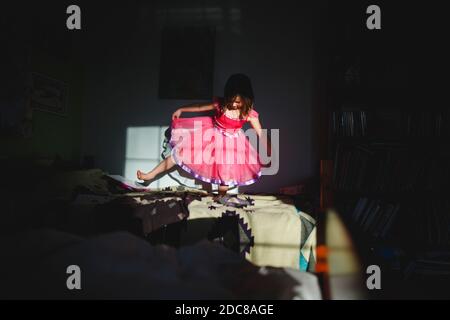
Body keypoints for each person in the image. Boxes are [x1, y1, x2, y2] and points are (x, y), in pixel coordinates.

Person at [137, 74, 270, 198]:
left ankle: (221, 197)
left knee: (226, 170)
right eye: (232, 100)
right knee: (179, 154)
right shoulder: (221, 105)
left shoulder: (250, 114)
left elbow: (261, 134)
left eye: (238, 102)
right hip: (211, 135)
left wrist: (269, 152)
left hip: (232, 143)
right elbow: (200, 107)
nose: (234, 104)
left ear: (247, 99)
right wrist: (182, 109)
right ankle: (150, 175)